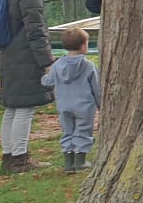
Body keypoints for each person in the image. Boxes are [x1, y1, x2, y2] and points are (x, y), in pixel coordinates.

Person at [0, 0, 53, 174]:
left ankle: (9, 155)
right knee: (25, 108)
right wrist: (46, 60)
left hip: (8, 51)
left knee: (13, 107)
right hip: (25, 53)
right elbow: (35, 27)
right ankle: (20, 158)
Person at [42, 28, 100, 173]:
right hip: (84, 106)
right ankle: (80, 161)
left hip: (64, 105)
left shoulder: (57, 65)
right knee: (83, 131)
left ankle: (68, 162)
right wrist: (100, 104)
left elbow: (47, 82)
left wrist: (46, 74)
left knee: (67, 131)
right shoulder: (88, 66)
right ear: (83, 46)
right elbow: (96, 87)